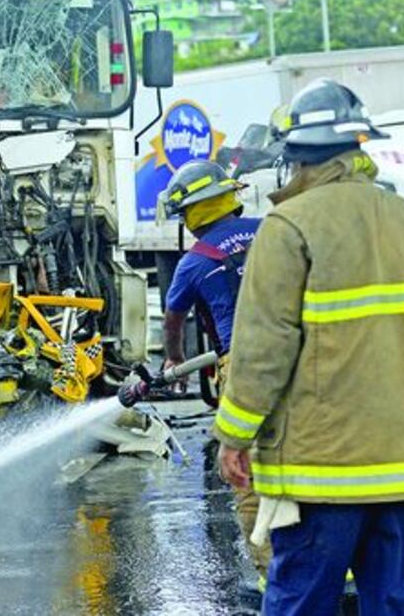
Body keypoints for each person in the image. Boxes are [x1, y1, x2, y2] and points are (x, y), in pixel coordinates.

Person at [214, 79, 404, 615]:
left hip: (323, 469)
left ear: (294, 159)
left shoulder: (289, 227)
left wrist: (234, 436)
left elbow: (264, 347)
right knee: (395, 597)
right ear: (359, 148)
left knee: (301, 598)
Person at [150, 160, 269, 590]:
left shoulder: (195, 262)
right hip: (306, 354)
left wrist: (173, 361)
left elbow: (173, 319)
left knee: (248, 473)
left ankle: (273, 576)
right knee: (312, 459)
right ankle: (339, 566)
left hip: (245, 365)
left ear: (193, 212)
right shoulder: (274, 229)